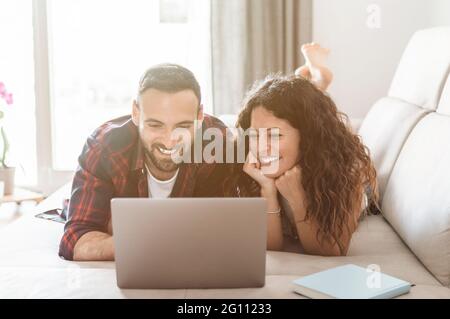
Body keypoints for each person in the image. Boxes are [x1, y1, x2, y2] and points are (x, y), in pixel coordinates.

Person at [59, 63, 229, 261]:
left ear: (199, 116)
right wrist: (141, 242)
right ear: (136, 113)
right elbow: (76, 241)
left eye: (182, 126)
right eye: (155, 125)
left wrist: (124, 235)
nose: (169, 140)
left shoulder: (218, 144)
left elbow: (229, 230)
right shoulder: (104, 147)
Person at [226, 44, 378, 256]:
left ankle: (316, 82)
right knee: (302, 106)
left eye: (274, 135)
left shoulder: (347, 173)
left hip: (360, 189)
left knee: (316, 117)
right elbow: (273, 246)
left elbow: (331, 251)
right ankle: (313, 83)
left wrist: (297, 196)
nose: (260, 146)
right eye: (255, 134)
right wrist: (267, 190)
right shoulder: (251, 163)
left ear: (307, 138)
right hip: (307, 137)